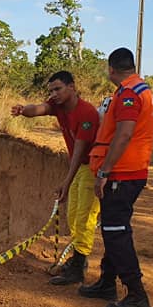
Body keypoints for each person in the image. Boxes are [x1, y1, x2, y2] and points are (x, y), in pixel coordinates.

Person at [80, 47, 153, 307]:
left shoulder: (128, 95)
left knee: (116, 232)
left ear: (111, 68)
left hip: (121, 175)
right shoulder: (140, 90)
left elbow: (123, 135)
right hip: (130, 172)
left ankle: (136, 294)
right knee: (114, 229)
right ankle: (106, 283)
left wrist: (104, 172)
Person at [11, 71, 100, 285]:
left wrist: (65, 184)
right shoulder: (58, 106)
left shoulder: (86, 113)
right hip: (80, 168)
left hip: (93, 167)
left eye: (58, 88)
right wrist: (23, 110)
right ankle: (78, 260)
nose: (54, 94)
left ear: (72, 87)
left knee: (84, 218)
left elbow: (79, 153)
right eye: (51, 90)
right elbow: (39, 109)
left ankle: (78, 268)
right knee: (72, 216)